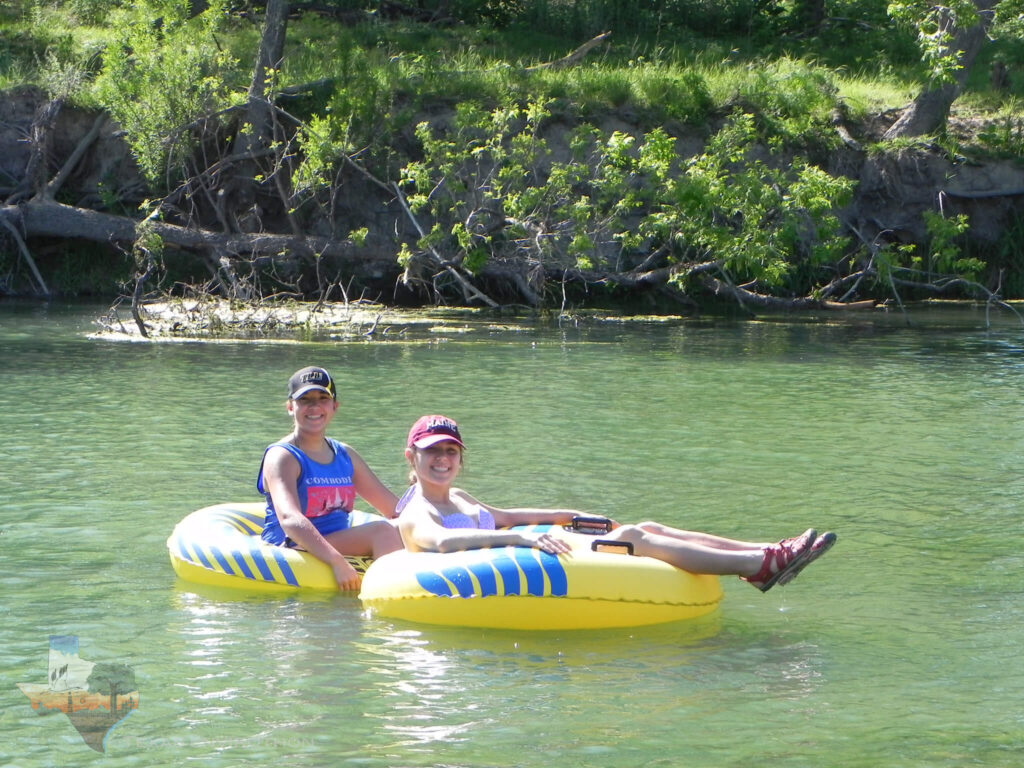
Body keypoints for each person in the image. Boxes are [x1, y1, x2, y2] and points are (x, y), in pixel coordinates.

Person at [397, 415, 836, 592]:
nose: (442, 459)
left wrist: (569, 516)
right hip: (504, 566)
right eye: (432, 451)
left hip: (531, 548)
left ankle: (765, 552)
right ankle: (760, 565)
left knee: (646, 525)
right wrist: (521, 540)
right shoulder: (419, 511)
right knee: (630, 538)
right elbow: (440, 543)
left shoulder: (458, 495)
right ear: (411, 458)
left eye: (450, 451)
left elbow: (510, 516)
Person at [257, 366, 402, 591]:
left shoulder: (345, 455)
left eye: (323, 398)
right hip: (293, 547)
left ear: (335, 406)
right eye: (305, 399)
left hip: (336, 539)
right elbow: (289, 518)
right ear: (290, 407)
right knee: (382, 531)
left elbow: (393, 508)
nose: (314, 406)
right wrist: (336, 561)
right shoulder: (283, 456)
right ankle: (394, 596)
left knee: (403, 525)